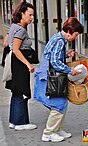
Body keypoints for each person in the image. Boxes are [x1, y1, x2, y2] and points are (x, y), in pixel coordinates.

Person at [33, 17, 83, 142]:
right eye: (75, 35)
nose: (75, 38)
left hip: (48, 77)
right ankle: (49, 132)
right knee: (58, 104)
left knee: (61, 103)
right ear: (69, 31)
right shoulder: (60, 41)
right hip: (51, 78)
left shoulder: (58, 38)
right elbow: (55, 62)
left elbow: (52, 56)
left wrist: (67, 54)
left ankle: (57, 129)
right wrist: (70, 70)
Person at [5, 2, 37, 130]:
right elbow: (17, 49)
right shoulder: (21, 30)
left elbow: (6, 43)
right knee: (22, 91)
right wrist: (28, 64)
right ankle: (21, 123)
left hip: (15, 62)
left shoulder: (13, 27)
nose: (31, 18)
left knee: (16, 91)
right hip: (20, 64)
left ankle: (14, 121)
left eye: (33, 15)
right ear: (21, 14)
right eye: (29, 15)